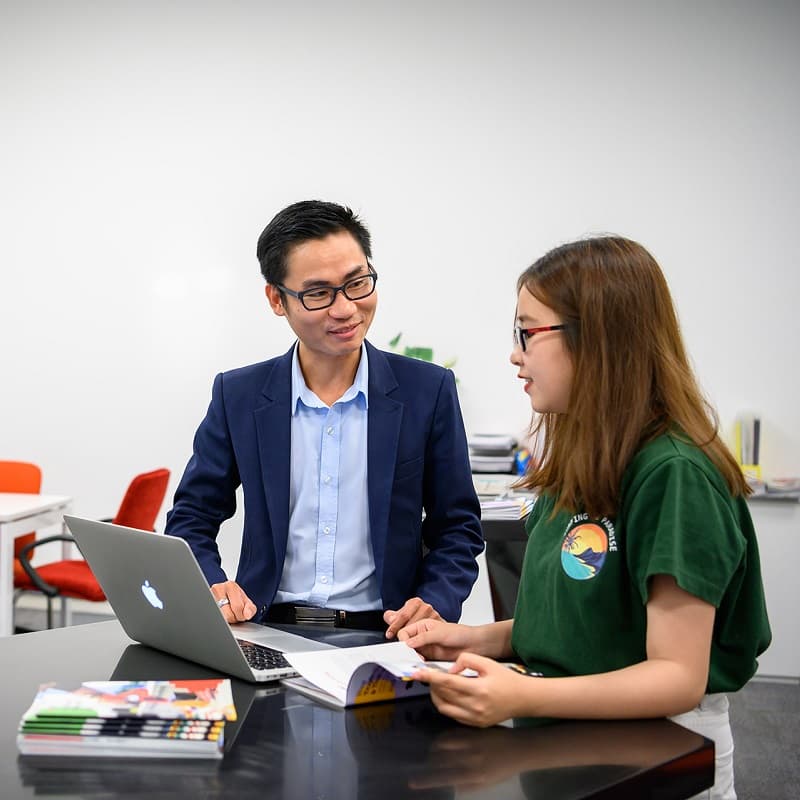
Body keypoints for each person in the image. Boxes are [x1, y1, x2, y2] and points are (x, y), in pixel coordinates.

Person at [400, 236, 771, 799]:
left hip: (660, 753)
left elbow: (676, 675)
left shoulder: (674, 474)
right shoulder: (585, 462)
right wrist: (474, 640)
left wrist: (522, 695)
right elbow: (584, 626)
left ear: (595, 338)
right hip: (573, 741)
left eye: (527, 332)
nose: (515, 353)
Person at [165, 200, 483, 638]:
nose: (346, 308)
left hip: (386, 635)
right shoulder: (238, 395)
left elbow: (458, 527)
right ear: (277, 299)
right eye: (318, 293)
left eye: (358, 283)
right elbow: (192, 517)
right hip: (264, 629)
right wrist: (212, 587)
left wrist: (436, 602)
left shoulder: (426, 391)